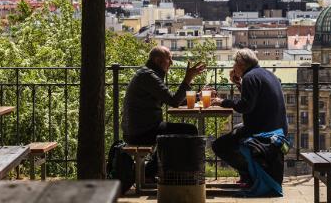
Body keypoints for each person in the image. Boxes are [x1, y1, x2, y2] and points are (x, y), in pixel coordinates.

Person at [121, 45, 206, 177]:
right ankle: (184, 174)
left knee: (180, 132)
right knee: (189, 131)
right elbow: (174, 101)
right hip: (141, 132)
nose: (171, 63)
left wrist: (198, 97)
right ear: (158, 60)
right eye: (169, 59)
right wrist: (188, 78)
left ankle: (153, 172)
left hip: (139, 129)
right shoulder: (149, 76)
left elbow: (172, 100)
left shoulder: (148, 74)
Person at [209, 49, 288, 187]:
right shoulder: (266, 73)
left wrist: (223, 102)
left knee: (219, 146)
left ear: (241, 64)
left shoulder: (250, 77)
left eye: (235, 64)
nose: (233, 67)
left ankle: (250, 173)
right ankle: (248, 174)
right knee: (236, 129)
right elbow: (254, 98)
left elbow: (245, 106)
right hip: (278, 127)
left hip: (263, 130)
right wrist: (239, 84)